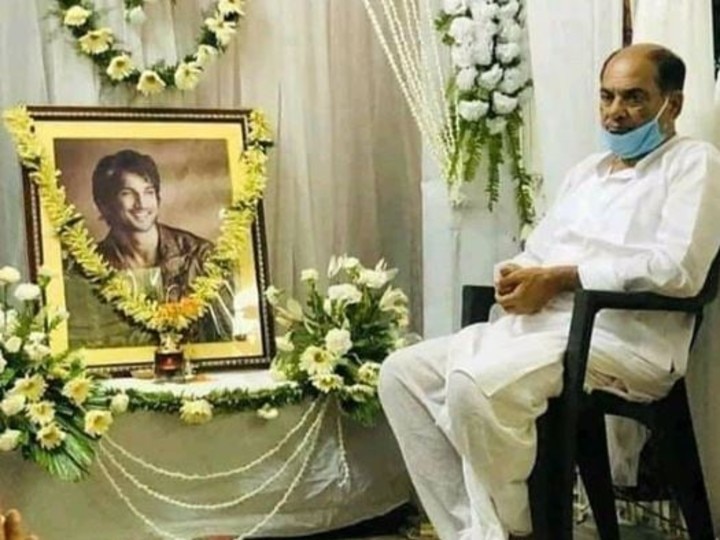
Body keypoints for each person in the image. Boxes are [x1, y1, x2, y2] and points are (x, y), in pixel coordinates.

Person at [379, 43, 720, 540]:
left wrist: (563, 278)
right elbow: (540, 249)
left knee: (473, 386)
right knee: (401, 374)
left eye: (634, 99)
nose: (616, 114)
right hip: (542, 328)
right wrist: (519, 275)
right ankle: (479, 532)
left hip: (621, 338)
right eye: (606, 98)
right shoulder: (588, 172)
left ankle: (518, 529)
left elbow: (677, 270)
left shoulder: (694, 163)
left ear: (674, 103)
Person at [77, 149, 233, 343]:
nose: (141, 203)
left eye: (148, 192)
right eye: (127, 193)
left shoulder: (201, 257)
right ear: (104, 204)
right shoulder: (87, 267)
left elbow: (230, 337)